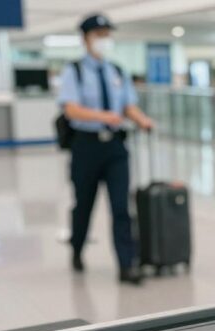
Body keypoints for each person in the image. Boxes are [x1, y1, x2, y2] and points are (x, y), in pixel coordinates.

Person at [59, 13, 154, 285]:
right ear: (85, 39)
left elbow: (128, 106)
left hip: (115, 147)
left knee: (121, 207)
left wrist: (142, 119)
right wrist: (104, 116)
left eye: (106, 35)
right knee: (84, 206)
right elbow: (71, 108)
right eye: (99, 35)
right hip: (86, 147)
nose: (104, 40)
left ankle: (127, 265)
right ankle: (77, 248)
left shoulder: (117, 71)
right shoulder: (73, 71)